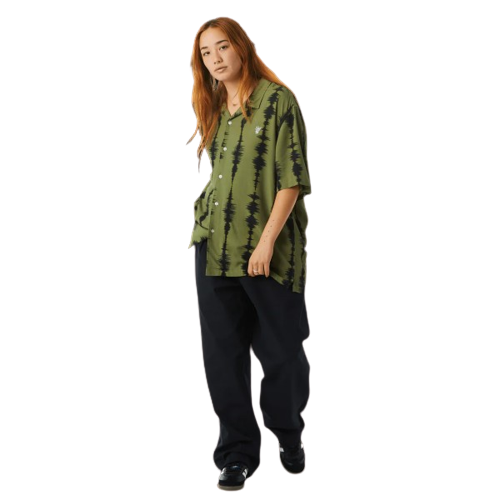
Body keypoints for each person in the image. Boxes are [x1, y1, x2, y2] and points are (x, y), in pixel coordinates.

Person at [187, 17, 312, 491]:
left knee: (283, 354)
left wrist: (266, 241)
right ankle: (237, 454)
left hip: (268, 253)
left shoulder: (278, 101)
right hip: (214, 246)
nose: (215, 59)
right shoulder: (216, 103)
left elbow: (292, 178)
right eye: (206, 53)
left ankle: (288, 431)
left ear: (241, 47)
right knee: (223, 357)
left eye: (222, 47)